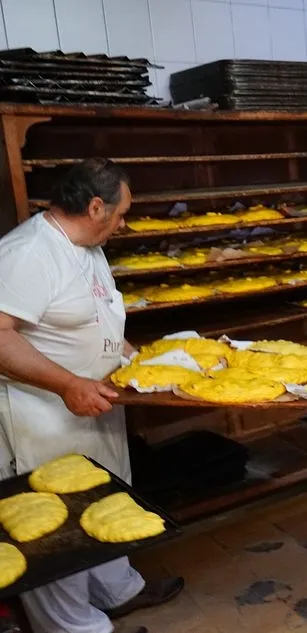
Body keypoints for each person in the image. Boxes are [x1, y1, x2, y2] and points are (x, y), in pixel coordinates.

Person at [0, 159, 183, 633]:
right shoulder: (28, 253)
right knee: (57, 525)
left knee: (107, 497)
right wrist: (67, 384)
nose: (124, 224)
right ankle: (75, 626)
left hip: (93, 406)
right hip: (42, 416)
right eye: (121, 214)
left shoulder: (88, 246)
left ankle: (117, 591)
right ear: (96, 206)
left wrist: (142, 366)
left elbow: (97, 320)